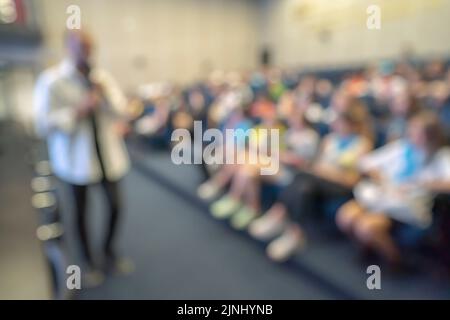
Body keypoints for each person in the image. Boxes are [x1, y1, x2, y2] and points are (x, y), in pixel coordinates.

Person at [34, 30, 132, 286]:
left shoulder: (101, 79)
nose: (86, 53)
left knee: (116, 206)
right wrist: (76, 112)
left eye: (90, 47)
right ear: (69, 48)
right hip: (75, 161)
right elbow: (42, 124)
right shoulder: (52, 81)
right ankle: (88, 263)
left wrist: (105, 97)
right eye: (81, 47)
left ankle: (108, 252)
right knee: (80, 214)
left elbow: (122, 110)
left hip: (106, 156)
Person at [249, 99, 373, 262]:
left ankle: (280, 217)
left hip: (341, 185)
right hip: (319, 180)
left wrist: (326, 172)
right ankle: (293, 232)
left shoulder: (362, 144)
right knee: (304, 185)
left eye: (341, 122)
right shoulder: (330, 140)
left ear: (351, 124)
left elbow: (353, 179)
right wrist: (320, 170)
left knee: (304, 177)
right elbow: (317, 164)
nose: (337, 126)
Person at [336, 111, 450, 268]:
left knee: (366, 227)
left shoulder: (440, 156)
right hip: (385, 195)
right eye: (411, 130)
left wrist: (422, 183)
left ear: (430, 135)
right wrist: (381, 177)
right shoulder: (402, 147)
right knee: (345, 217)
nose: (412, 135)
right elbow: (366, 162)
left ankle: (395, 261)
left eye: (417, 132)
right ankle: (369, 250)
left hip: (407, 206)